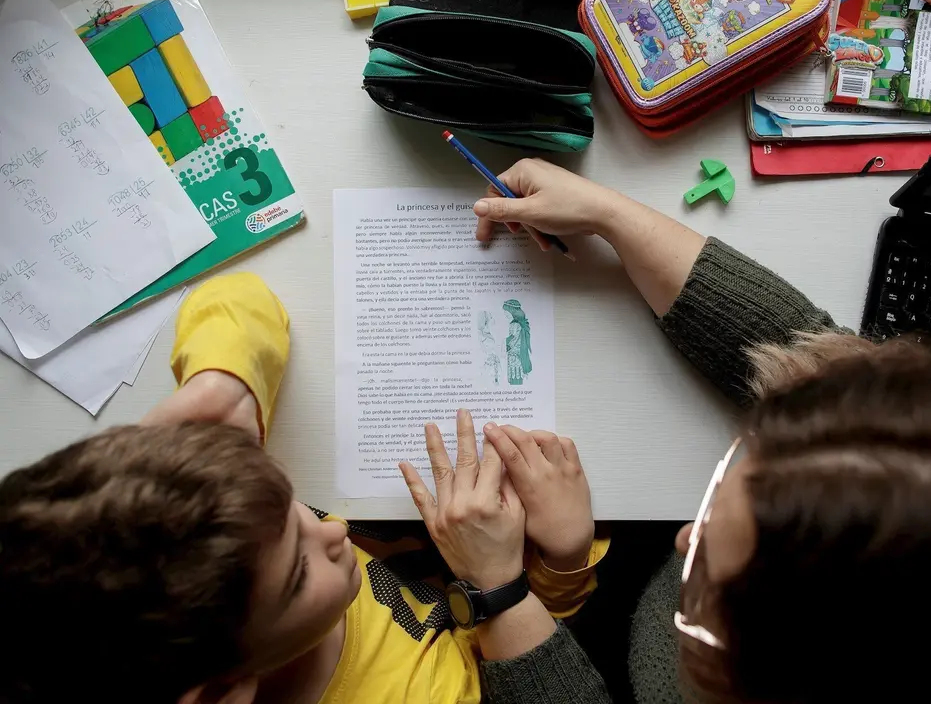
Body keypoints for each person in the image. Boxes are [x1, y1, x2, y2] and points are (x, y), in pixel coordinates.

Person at [402, 159, 931, 703]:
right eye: (740, 462)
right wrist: (610, 214)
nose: (682, 538)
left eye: (708, 582)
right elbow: (810, 357)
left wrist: (500, 588)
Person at [0, 273, 609, 704]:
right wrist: (552, 565)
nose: (337, 530)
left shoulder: (218, 537)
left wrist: (227, 384)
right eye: (297, 574)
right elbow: (531, 677)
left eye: (294, 505)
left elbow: (237, 294)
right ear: (218, 694)